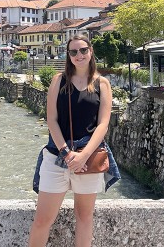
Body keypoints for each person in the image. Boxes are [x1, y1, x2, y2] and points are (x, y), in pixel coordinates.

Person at [29, 35, 120, 247]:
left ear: (90, 51)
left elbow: (103, 125)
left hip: (89, 158)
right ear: (68, 56)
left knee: (84, 218)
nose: (78, 55)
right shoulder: (58, 80)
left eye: (82, 50)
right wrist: (66, 153)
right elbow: (51, 119)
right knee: (42, 220)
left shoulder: (102, 83)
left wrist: (83, 156)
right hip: (56, 156)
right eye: (73, 52)